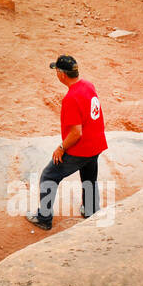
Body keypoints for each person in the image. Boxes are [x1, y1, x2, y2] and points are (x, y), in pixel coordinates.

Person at [28, 54, 107, 231]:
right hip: (97, 144)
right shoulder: (88, 85)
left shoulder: (71, 98)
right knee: (89, 177)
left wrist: (61, 148)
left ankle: (44, 218)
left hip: (81, 148)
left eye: (56, 70)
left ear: (61, 74)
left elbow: (76, 133)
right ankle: (91, 210)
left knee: (49, 177)